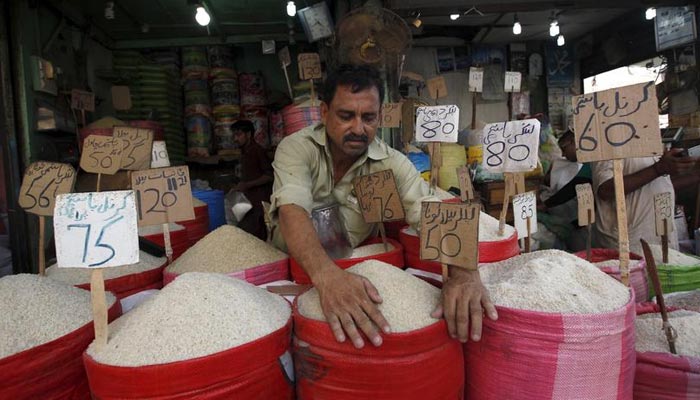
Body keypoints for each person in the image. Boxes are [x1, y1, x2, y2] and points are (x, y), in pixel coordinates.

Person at [269, 64, 497, 349]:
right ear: (324, 112)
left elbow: (430, 210)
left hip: (354, 275)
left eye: (368, 118)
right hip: (293, 273)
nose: (358, 128)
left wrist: (464, 274)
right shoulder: (296, 148)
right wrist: (327, 277)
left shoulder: (391, 163)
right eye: (346, 116)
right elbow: (292, 210)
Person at [592, 148, 698, 255]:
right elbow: (605, 190)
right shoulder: (609, 139)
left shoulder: (650, 139)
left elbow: (656, 186)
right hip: (631, 244)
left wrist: (696, 175)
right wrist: (659, 168)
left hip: (660, 238)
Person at [231, 120, 273, 241]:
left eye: (238, 134)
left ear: (248, 134)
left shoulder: (257, 151)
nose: (235, 139)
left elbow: (269, 176)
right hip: (248, 203)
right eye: (234, 135)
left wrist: (247, 185)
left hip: (259, 205)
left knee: (256, 238)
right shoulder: (245, 153)